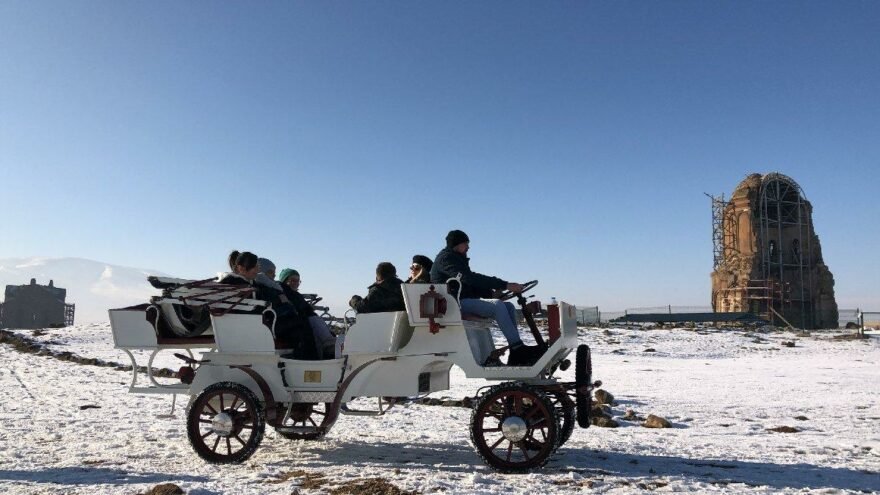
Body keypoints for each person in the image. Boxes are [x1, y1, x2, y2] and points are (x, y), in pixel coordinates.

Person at [430, 230, 543, 366]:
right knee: (497, 306)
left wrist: (491, 294)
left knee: (509, 306)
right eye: (466, 244)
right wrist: (505, 284)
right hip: (452, 304)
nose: (468, 247)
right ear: (457, 244)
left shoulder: (457, 260)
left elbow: (468, 283)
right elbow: (469, 279)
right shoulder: (446, 259)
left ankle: (515, 349)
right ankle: (518, 349)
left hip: (461, 300)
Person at [221, 251, 317, 359]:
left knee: (301, 323)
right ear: (241, 268)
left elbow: (264, 295)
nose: (258, 270)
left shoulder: (248, 282)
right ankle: (307, 362)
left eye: (258, 266)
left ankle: (305, 361)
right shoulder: (236, 284)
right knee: (301, 327)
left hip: (257, 322)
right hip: (252, 326)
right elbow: (256, 303)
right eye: (255, 267)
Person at [277, 267, 337, 359]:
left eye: (298, 281)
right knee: (313, 324)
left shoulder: (296, 295)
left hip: (299, 322)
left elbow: (308, 311)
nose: (296, 283)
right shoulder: (283, 294)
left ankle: (327, 351)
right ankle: (330, 347)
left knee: (314, 323)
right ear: (284, 280)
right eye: (293, 280)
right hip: (290, 324)